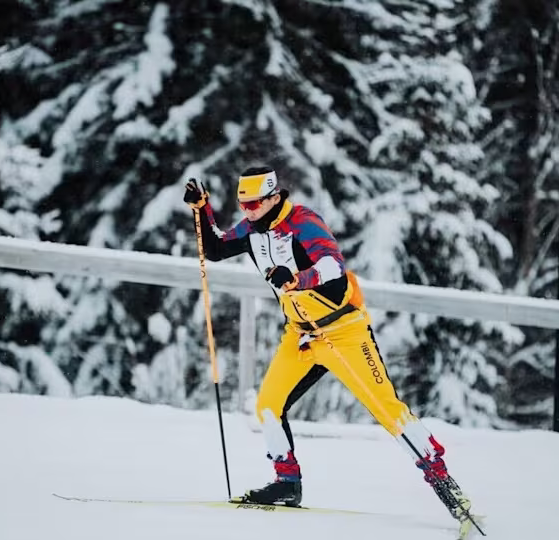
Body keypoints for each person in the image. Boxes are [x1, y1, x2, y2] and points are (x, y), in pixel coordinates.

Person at [183, 166, 476, 526]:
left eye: (256, 203)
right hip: (300, 335)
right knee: (268, 407)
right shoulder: (252, 228)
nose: (248, 211)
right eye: (243, 204)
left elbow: (333, 267)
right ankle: (286, 483)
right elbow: (213, 249)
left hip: (343, 331)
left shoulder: (303, 222)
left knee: (387, 410)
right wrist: (202, 209)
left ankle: (447, 487)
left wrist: (297, 279)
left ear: (275, 197)